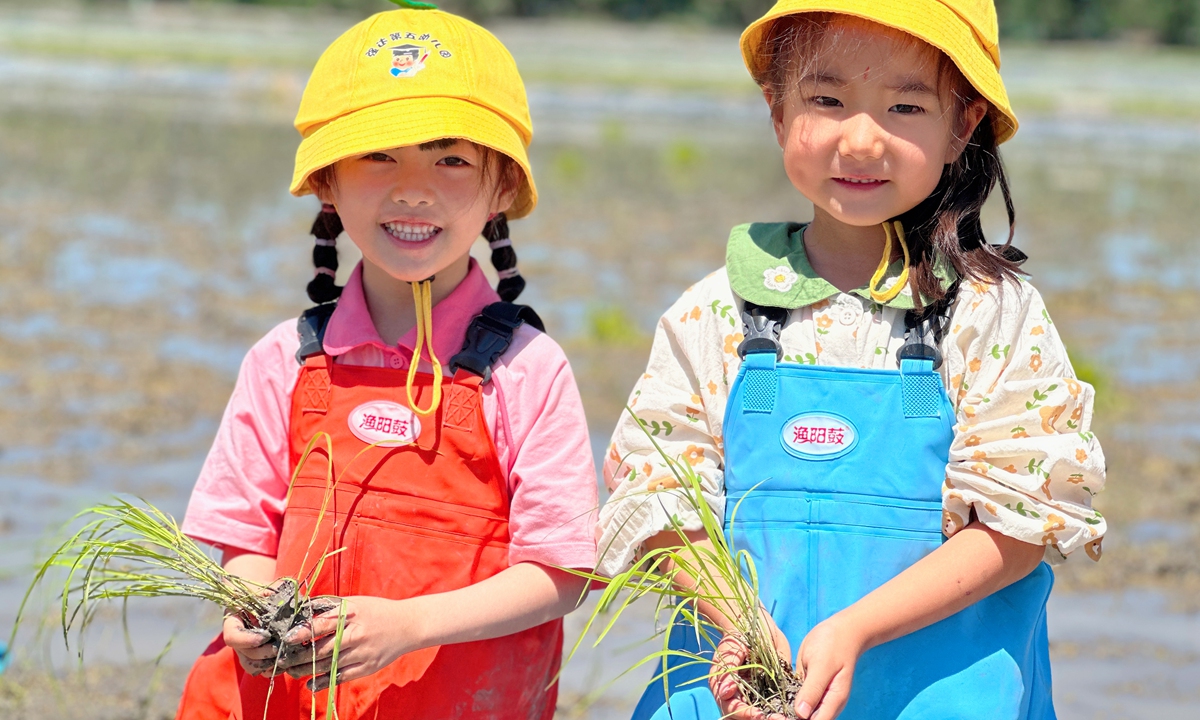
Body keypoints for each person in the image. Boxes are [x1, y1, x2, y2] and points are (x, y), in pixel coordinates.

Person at [596, 2, 1106, 719]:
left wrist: (857, 630)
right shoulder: (714, 313)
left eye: (904, 106)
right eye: (827, 100)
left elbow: (1023, 524)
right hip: (736, 690)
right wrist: (737, 623)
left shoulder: (993, 317)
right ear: (778, 112)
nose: (861, 141)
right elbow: (654, 494)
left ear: (962, 126)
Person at [175, 4, 598, 719]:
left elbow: (563, 570)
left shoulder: (529, 369)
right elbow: (243, 540)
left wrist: (410, 627)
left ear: (502, 190)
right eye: (378, 154)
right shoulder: (285, 359)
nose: (412, 187)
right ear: (327, 184)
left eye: (451, 158)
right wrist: (247, 610)